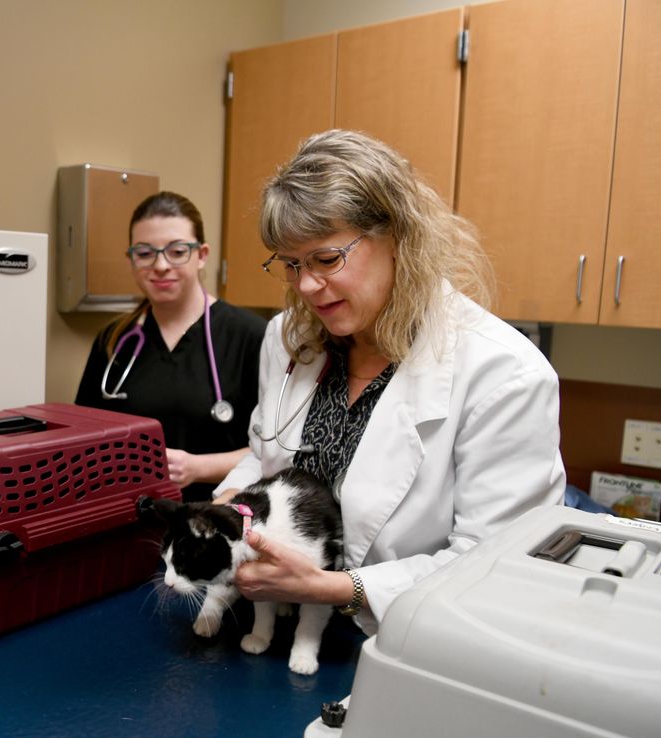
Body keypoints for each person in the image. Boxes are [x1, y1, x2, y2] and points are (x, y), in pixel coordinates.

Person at [216, 130, 566, 634]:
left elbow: (492, 565)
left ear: (398, 236)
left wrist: (339, 589)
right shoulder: (287, 340)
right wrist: (228, 504)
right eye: (291, 265)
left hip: (408, 640)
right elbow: (265, 453)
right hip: (277, 628)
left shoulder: (504, 374)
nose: (307, 286)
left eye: (326, 259)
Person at [75, 191, 267, 502]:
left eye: (177, 251)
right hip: (127, 520)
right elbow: (83, 441)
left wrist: (197, 468)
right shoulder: (113, 342)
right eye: (145, 253)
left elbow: (274, 451)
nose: (161, 265)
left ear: (201, 254)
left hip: (217, 519)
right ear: (131, 259)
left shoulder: (251, 337)